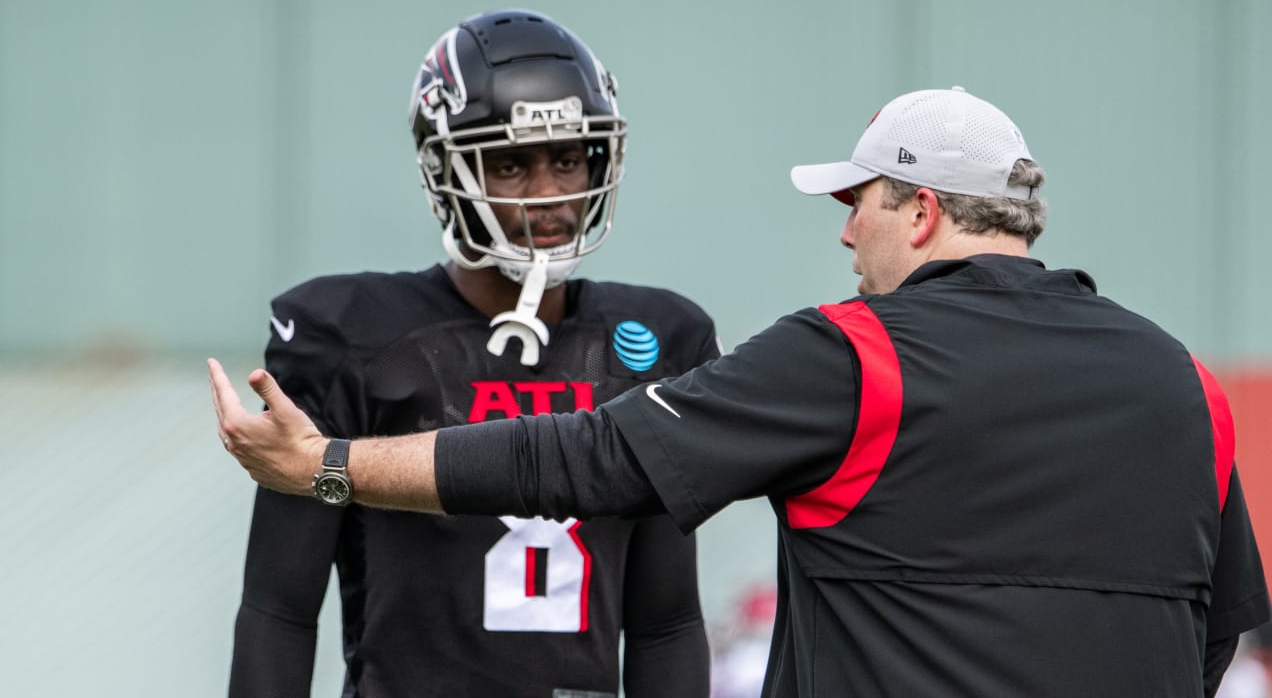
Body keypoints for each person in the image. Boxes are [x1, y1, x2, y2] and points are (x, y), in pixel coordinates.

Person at [212, 86, 1271, 697]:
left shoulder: (854, 355)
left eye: (859, 202)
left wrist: (330, 466)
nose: (844, 228)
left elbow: (587, 458)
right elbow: (1220, 626)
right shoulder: (1180, 379)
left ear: (921, 214)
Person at [226, 8, 717, 698]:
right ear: (443, 166)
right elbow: (279, 610)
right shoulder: (351, 337)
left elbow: (665, 622)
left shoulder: (659, 340)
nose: (551, 194)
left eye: (568, 157)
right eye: (512, 163)